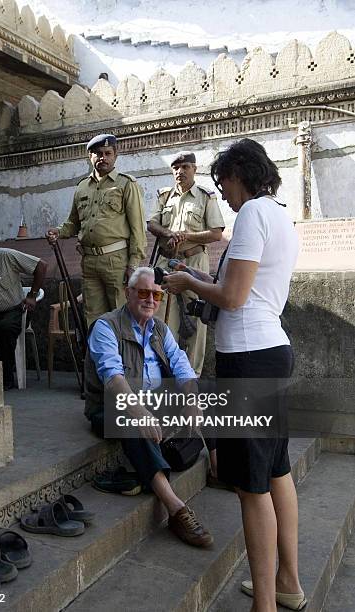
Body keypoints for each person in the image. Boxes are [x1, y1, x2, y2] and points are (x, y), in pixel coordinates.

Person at [162, 139, 306, 612]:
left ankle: (264, 604)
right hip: (271, 351)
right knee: (277, 470)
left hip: (247, 359)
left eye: (224, 182)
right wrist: (203, 283)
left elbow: (234, 297)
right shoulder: (281, 214)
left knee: (250, 486)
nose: (222, 193)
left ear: (242, 174)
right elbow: (246, 290)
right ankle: (288, 581)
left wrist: (186, 282)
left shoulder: (251, 216)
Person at [84, 266, 213, 548]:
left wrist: (191, 401)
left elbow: (183, 368)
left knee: (209, 396)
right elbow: (113, 377)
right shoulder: (106, 326)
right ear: (128, 293)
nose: (151, 300)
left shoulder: (160, 329)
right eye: (143, 292)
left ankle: (213, 469)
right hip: (112, 406)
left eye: (157, 295)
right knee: (130, 421)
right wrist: (140, 412)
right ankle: (176, 508)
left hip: (154, 402)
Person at [46, 133, 147, 327]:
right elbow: (73, 223)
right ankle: (99, 357)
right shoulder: (82, 187)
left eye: (108, 153)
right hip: (89, 262)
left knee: (121, 315)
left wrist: (133, 265)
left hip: (116, 260)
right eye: (98, 153)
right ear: (90, 156)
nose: (103, 158)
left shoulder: (126, 184)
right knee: (93, 319)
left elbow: (138, 228)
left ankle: (122, 357)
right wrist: (58, 232)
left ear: (115, 155)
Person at [147, 151, 224, 376]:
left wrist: (187, 236)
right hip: (165, 260)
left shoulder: (205, 196)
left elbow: (217, 233)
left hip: (194, 260)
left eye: (185, 167)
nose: (180, 172)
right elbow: (152, 224)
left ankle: (192, 374)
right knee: (160, 315)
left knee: (197, 317)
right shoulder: (164, 196)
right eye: (176, 168)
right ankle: (164, 370)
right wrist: (169, 233)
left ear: (194, 169)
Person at [0, 220, 47, 391]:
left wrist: (32, 296)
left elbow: (41, 265)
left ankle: (7, 377)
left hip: (13, 310)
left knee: (4, 329)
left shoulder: (4, 255)